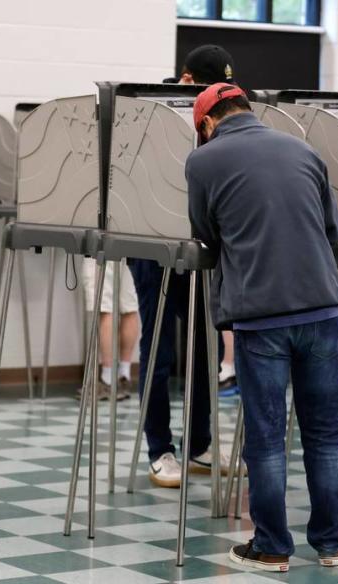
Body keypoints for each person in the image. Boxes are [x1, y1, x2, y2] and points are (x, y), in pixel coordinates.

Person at [188, 83, 338, 571]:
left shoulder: (203, 161)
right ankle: (333, 544)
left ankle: (271, 547)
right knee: (324, 434)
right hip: (322, 308)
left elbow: (204, 232)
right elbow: (332, 229)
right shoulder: (303, 148)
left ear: (208, 123)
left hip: (260, 314)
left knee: (265, 438)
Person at [129, 43, 235, 488]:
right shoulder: (149, 110)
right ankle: (160, 450)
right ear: (188, 80)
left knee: (203, 347)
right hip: (153, 245)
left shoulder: (213, 115)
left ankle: (199, 445)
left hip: (198, 247)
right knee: (158, 348)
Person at [79, 259, 138, 401]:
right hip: (136, 242)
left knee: (104, 307)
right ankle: (124, 376)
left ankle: (108, 380)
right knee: (129, 307)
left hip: (104, 240)